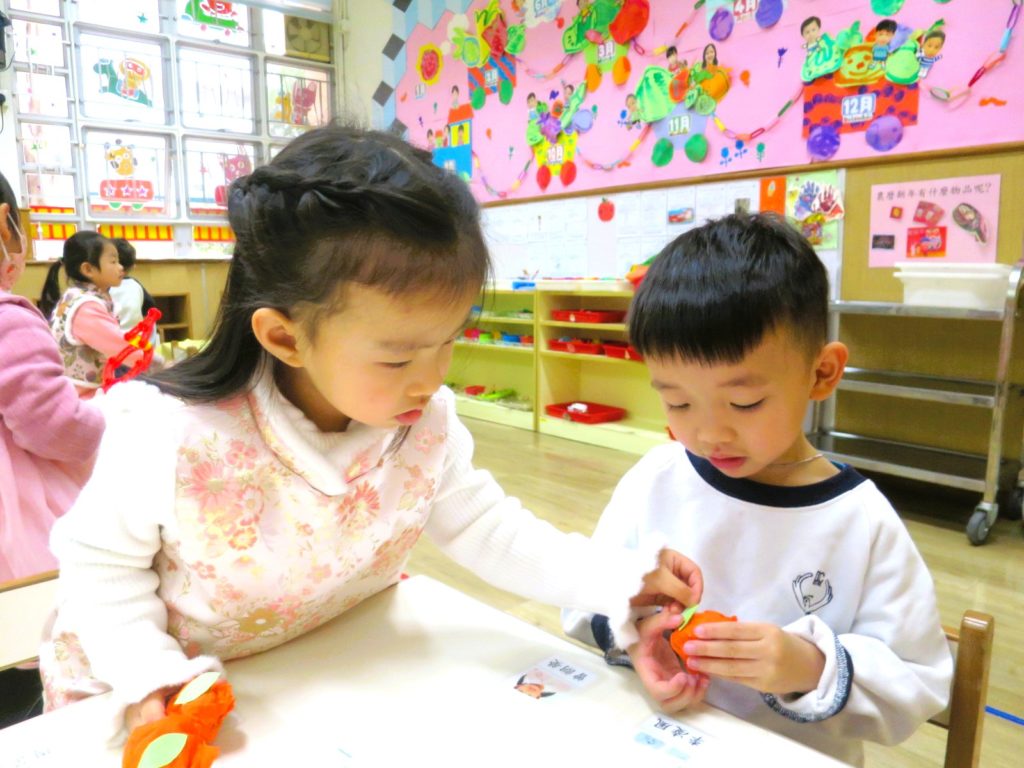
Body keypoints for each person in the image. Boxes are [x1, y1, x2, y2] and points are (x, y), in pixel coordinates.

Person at [40, 126, 702, 739]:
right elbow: (101, 569)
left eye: (448, 341)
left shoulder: (424, 421)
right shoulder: (167, 432)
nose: (432, 379)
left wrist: (618, 579)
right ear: (284, 337)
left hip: (322, 667)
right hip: (154, 692)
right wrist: (151, 673)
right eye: (398, 358)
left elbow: (485, 528)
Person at [562, 214, 952, 767]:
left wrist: (806, 665)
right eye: (677, 402)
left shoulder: (860, 521)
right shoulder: (658, 477)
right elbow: (582, 600)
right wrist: (636, 633)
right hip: (659, 738)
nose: (709, 433)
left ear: (821, 373)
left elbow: (917, 681)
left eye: (744, 403)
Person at [0, 171, 104, 584]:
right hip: (20, 517)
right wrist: (105, 422)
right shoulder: (8, 319)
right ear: (4, 225)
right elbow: (56, 427)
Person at [40, 231, 156, 397]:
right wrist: (156, 361)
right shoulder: (86, 307)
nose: (120, 267)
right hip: (80, 396)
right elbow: (119, 345)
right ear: (88, 269)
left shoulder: (77, 295)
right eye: (113, 262)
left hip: (80, 391)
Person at [108, 238, 158, 340]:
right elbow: (150, 309)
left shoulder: (101, 287)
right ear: (132, 266)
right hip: (136, 340)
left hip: (111, 342)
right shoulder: (135, 284)